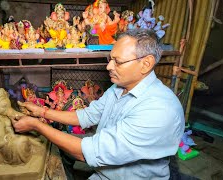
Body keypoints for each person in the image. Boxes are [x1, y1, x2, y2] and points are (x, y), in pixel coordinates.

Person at [12, 29, 185, 179]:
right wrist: (42, 112)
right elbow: (86, 116)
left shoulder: (159, 110)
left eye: (118, 61)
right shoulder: (118, 88)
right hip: (104, 172)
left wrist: (36, 125)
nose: (109, 66)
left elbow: (85, 152)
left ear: (146, 63)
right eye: (110, 59)